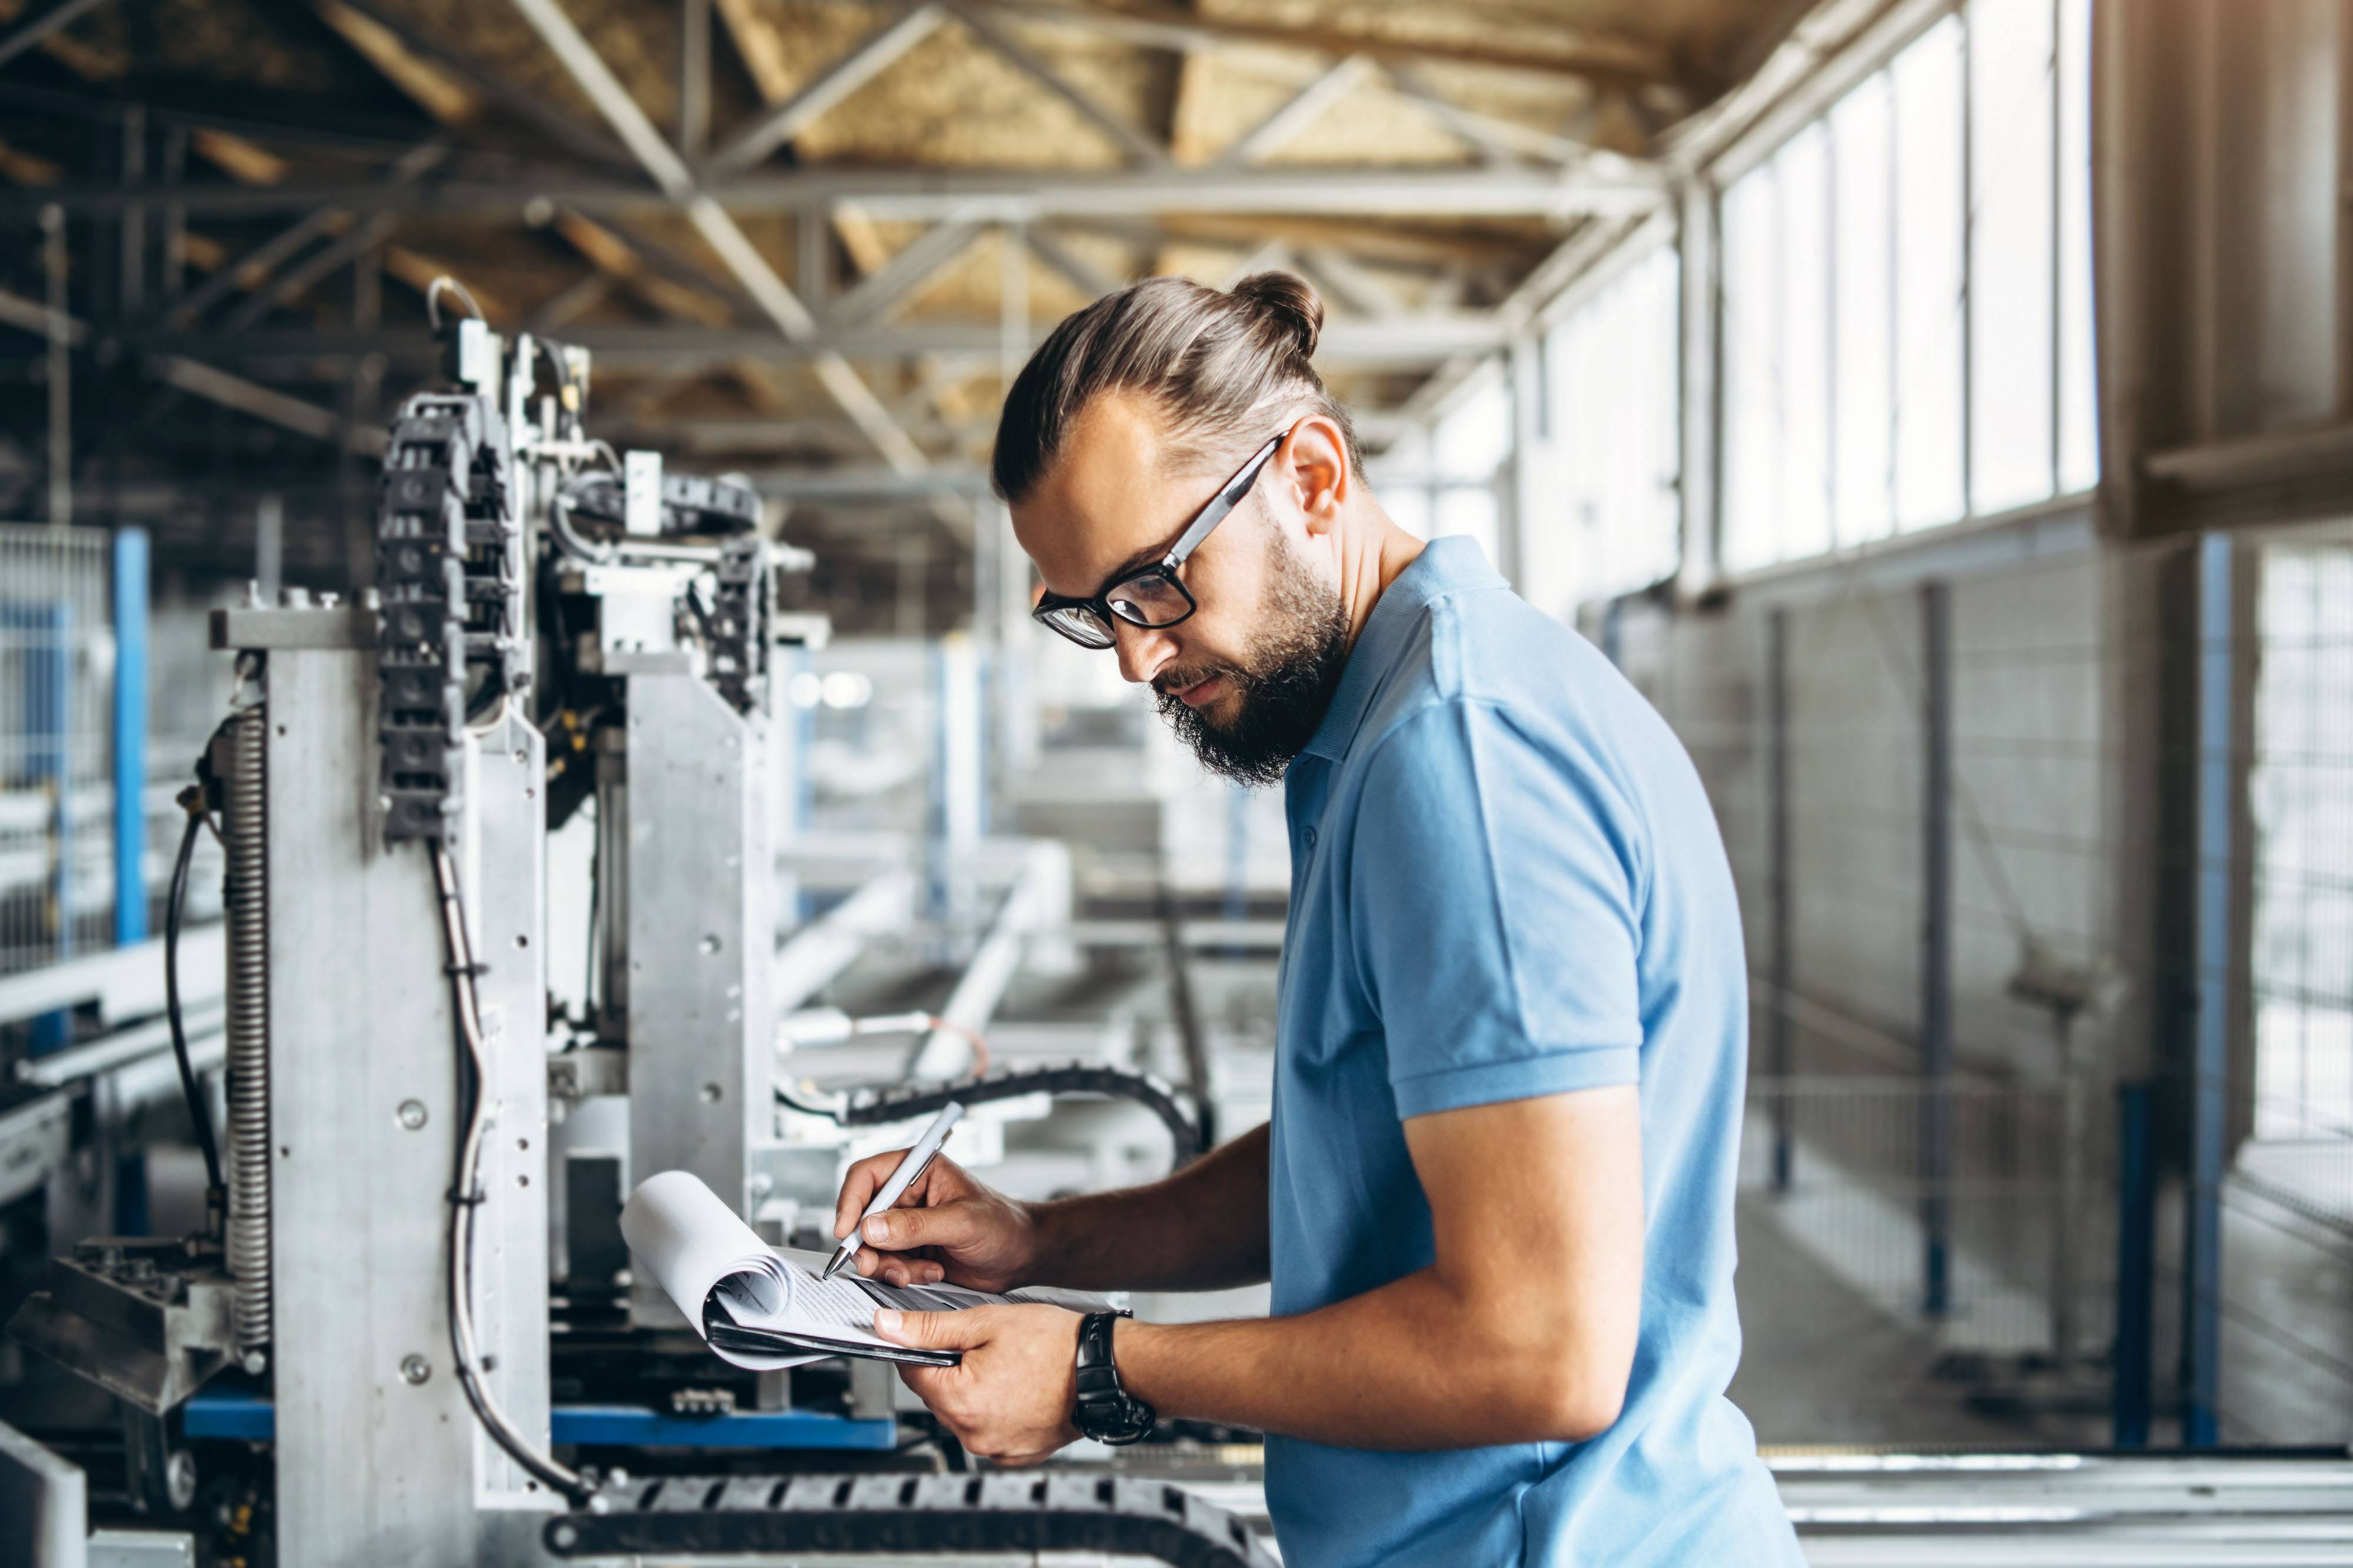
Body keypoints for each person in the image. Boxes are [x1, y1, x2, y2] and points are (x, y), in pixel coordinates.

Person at [833, 271, 1804, 1567]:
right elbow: (1368, 1159)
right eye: (1088, 612)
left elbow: (1538, 1348)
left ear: (1310, 477)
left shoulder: (1459, 758)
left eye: (1154, 582)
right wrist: (1039, 1240)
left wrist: (1103, 1369)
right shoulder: (1388, 721)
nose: (1131, 657)